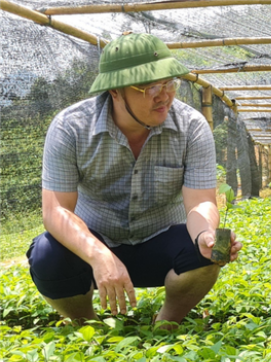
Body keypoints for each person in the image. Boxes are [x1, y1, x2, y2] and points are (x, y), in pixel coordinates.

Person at [26, 33, 242, 326]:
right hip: (96, 244)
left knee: (216, 244)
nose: (164, 94)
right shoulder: (70, 128)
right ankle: (88, 325)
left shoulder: (192, 127)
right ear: (115, 91)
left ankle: (167, 321)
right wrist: (98, 254)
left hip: (161, 242)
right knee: (47, 254)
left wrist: (204, 234)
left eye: (169, 83)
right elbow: (56, 211)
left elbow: (200, 203)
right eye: (150, 86)